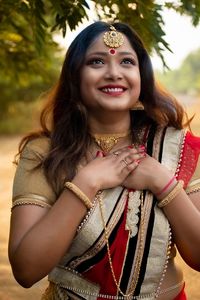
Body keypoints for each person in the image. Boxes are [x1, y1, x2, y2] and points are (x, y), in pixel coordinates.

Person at [8, 21, 200, 300]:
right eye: (97, 62)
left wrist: (163, 183)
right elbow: (26, 270)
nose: (113, 73)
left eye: (127, 62)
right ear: (75, 77)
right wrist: (87, 182)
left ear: (141, 76)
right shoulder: (45, 151)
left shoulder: (178, 148)